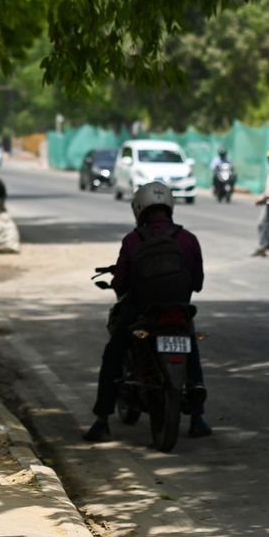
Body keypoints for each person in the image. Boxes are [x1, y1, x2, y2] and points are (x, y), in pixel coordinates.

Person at [84, 182, 210, 442]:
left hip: (142, 313)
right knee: (190, 346)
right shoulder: (188, 239)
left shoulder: (133, 240)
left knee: (113, 352)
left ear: (139, 208)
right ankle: (197, 416)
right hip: (179, 311)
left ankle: (102, 420)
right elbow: (197, 283)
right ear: (170, 206)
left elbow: (120, 284)